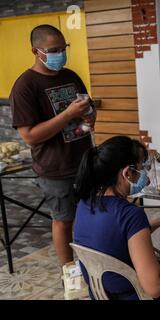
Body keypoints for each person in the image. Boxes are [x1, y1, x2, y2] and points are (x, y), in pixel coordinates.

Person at [74, 136, 160, 300]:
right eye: (141, 169)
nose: (145, 177)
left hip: (104, 293)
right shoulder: (130, 213)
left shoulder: (85, 203)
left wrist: (157, 223)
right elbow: (155, 287)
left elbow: (114, 238)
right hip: (139, 294)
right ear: (126, 173)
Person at [9, 25, 96, 269]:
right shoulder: (25, 86)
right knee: (64, 220)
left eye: (63, 48)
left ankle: (93, 263)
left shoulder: (71, 76)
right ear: (36, 51)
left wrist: (90, 116)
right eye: (54, 50)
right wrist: (68, 114)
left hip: (85, 160)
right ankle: (69, 272)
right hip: (55, 167)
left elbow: (87, 108)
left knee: (91, 216)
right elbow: (30, 136)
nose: (60, 54)